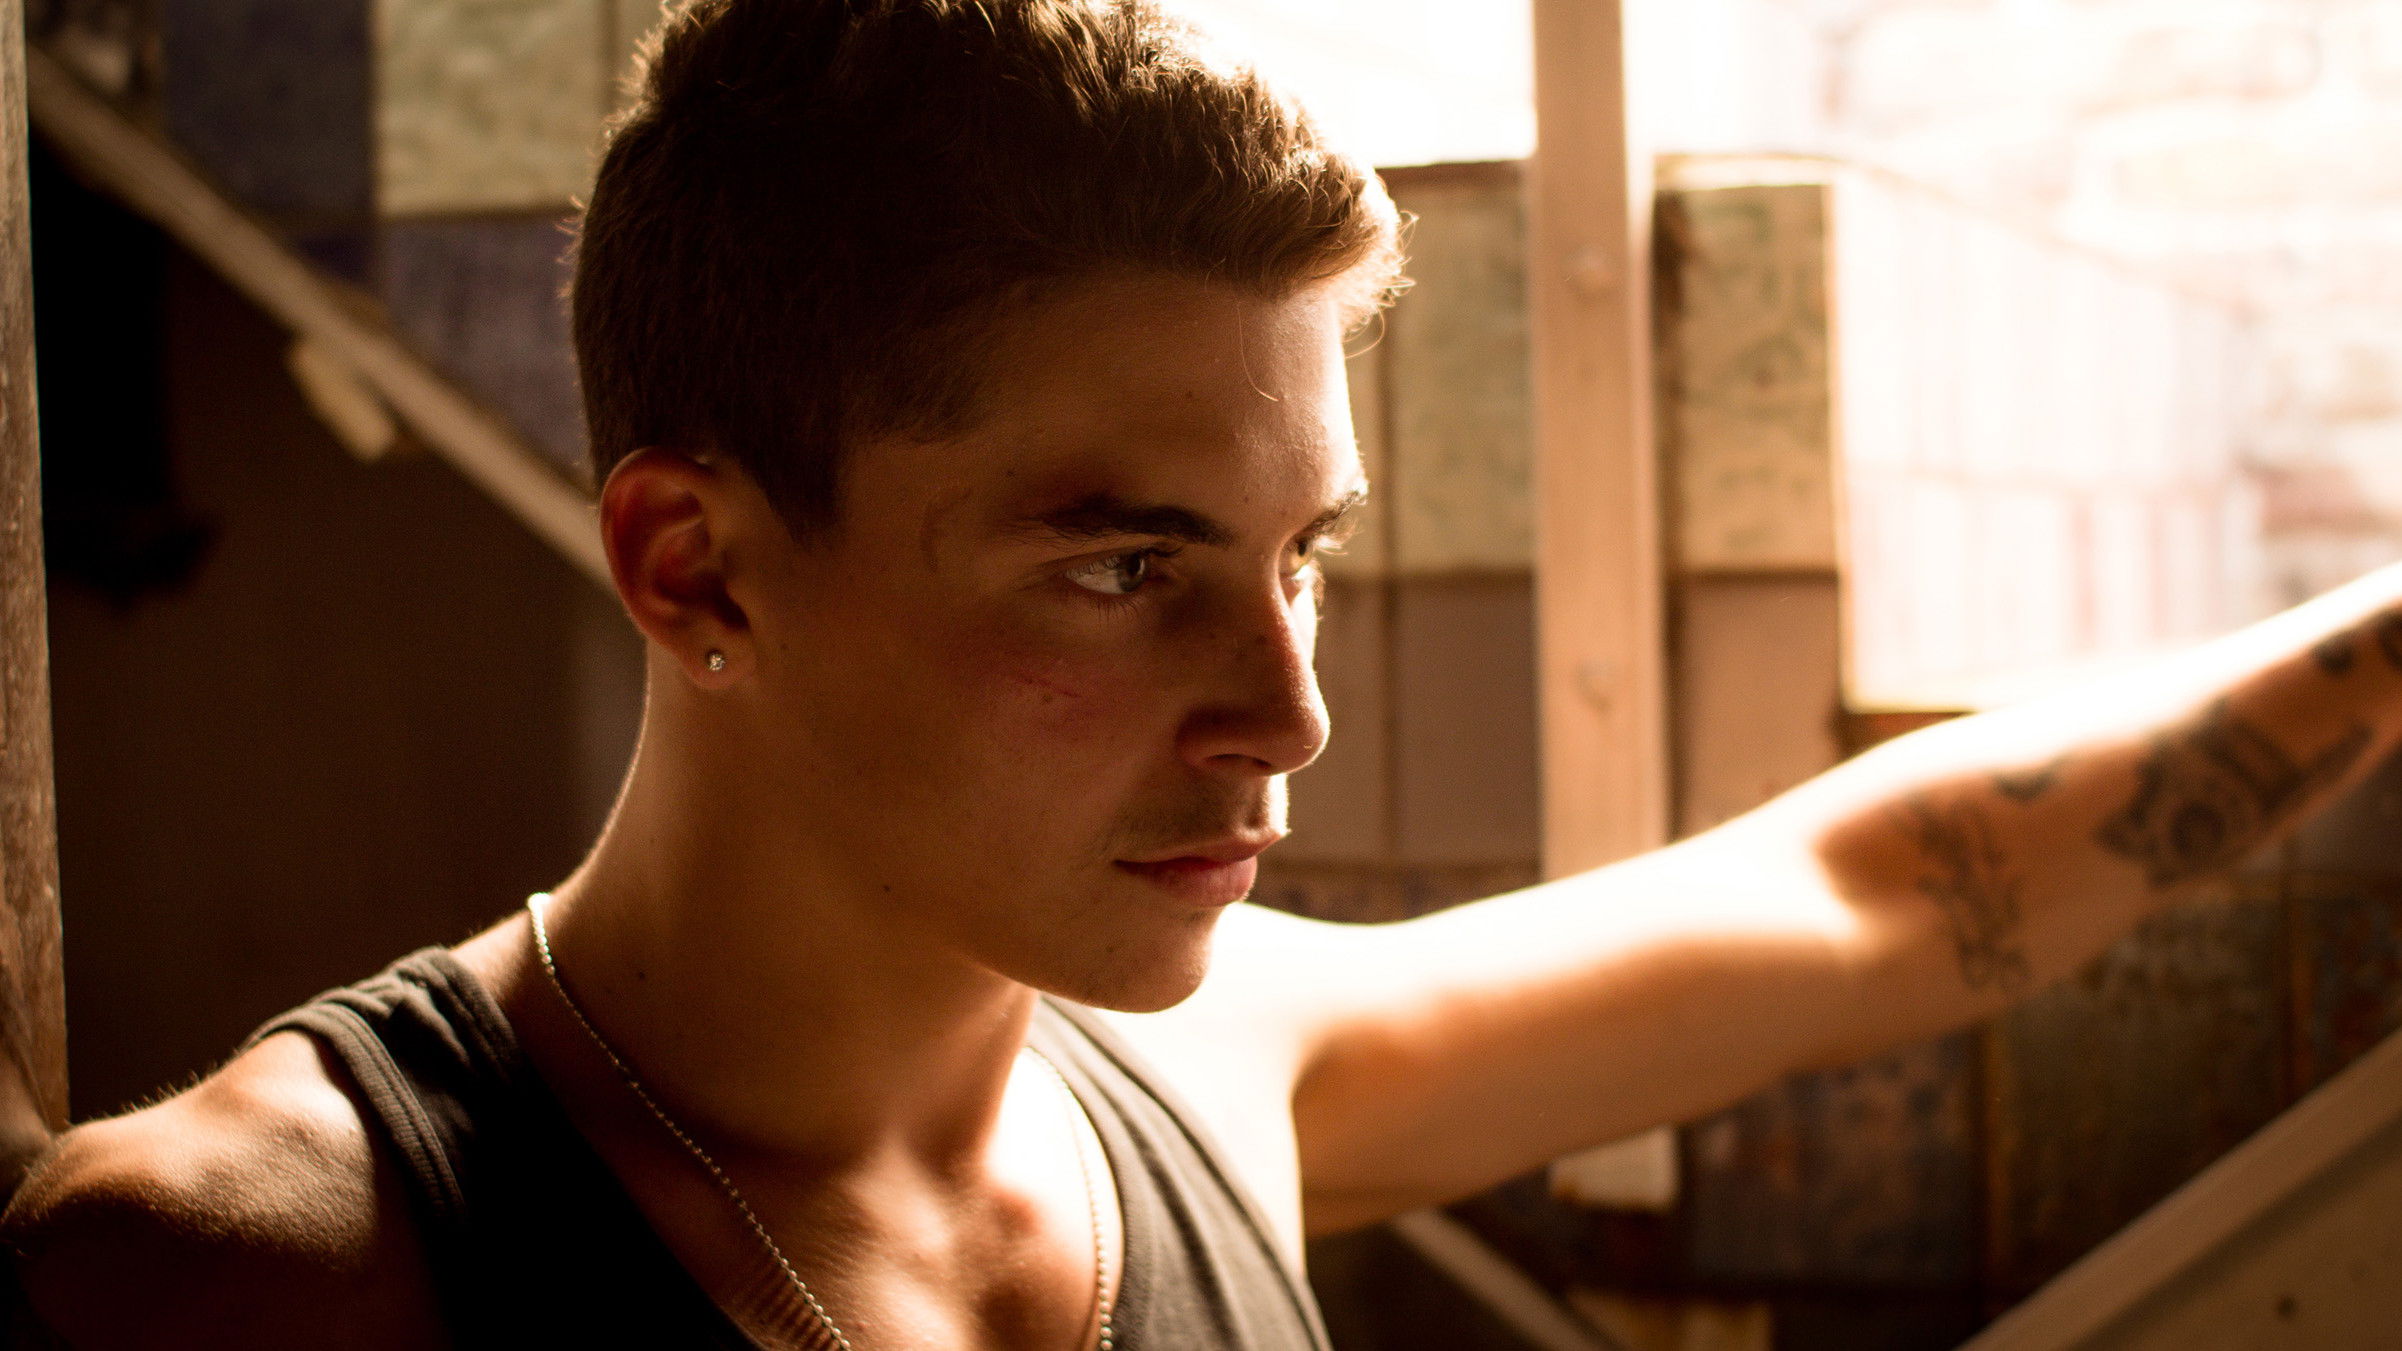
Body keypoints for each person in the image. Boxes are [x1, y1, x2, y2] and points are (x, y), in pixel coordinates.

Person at [7, 0, 2400, 1345]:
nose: (1288, 710)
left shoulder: (1212, 1064)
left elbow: (1881, 892)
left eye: (1302, 558)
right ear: (692, 562)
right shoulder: (262, 1271)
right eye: (1125, 566)